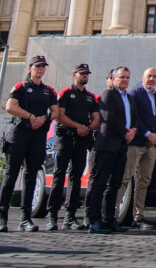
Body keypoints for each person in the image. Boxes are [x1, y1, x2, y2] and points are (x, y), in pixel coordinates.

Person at [0, 55, 57, 232]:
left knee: (32, 177)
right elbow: (10, 106)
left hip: (37, 136)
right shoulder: (21, 87)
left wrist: (43, 119)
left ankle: (26, 218)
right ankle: (2, 217)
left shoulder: (48, 91)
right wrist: (30, 117)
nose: (40, 69)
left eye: (43, 66)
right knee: (11, 175)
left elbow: (55, 112)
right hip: (20, 132)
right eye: (37, 66)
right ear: (30, 68)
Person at [46, 63, 101, 231]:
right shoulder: (66, 93)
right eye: (82, 74)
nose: (85, 76)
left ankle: (70, 215)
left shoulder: (90, 97)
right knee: (59, 174)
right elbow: (59, 116)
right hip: (66, 137)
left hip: (82, 139)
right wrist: (78, 126)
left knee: (76, 176)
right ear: (74, 75)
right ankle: (52, 214)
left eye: (87, 74)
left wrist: (88, 128)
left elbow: (96, 118)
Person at [85, 66, 138, 234]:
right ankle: (94, 220)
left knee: (114, 185)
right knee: (99, 183)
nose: (125, 80)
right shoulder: (108, 94)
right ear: (114, 79)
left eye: (127, 77)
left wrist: (133, 131)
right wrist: (125, 133)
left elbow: (135, 117)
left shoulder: (129, 98)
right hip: (107, 145)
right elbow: (109, 118)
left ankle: (109, 219)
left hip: (122, 146)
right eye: (122, 77)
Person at [116, 67, 156, 230]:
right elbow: (135, 117)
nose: (151, 79)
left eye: (154, 76)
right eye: (149, 76)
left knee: (144, 180)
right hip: (137, 142)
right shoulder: (135, 95)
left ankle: (138, 216)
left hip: (152, 146)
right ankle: (113, 214)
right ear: (143, 78)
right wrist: (146, 133)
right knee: (125, 177)